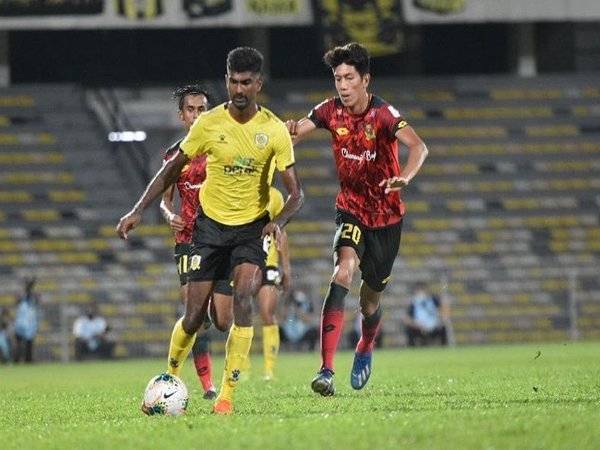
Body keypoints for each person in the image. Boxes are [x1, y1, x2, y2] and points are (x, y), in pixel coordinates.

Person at [116, 46, 303, 415]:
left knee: (242, 304)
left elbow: (297, 192)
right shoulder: (209, 124)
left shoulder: (274, 130)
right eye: (233, 81)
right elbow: (171, 170)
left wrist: (277, 222)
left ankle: (227, 397)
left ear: (258, 84)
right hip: (209, 227)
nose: (239, 88)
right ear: (226, 80)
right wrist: (139, 209)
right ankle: (167, 380)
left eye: (246, 82)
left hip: (250, 229)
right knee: (195, 316)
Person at [286, 42, 428, 396]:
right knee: (342, 270)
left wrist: (405, 178)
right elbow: (295, 133)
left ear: (366, 79)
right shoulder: (329, 111)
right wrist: (283, 132)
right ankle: (326, 370)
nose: (343, 85)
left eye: (350, 77)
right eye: (338, 78)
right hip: (350, 209)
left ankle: (365, 345)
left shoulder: (384, 114)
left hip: (387, 218)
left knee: (369, 302)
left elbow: (419, 147)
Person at [159, 84, 233, 400]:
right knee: (195, 311)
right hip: (188, 239)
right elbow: (164, 201)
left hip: (221, 239)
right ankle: (202, 384)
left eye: (202, 109)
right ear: (182, 116)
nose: (197, 114)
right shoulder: (174, 155)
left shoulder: (222, 147)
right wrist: (167, 215)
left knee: (222, 319)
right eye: (191, 109)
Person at [403, 282, 450, 347]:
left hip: (434, 327)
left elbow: (443, 310)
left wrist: (441, 321)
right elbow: (407, 319)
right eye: (418, 290)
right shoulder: (413, 303)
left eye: (422, 290)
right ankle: (412, 349)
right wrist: (416, 325)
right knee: (409, 330)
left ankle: (444, 348)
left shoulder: (433, 300)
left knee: (443, 328)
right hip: (419, 328)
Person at [13, 276, 41, 363]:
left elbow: (37, 301)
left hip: (29, 323)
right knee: (19, 343)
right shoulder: (22, 297)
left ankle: (27, 359)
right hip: (21, 322)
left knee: (28, 343)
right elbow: (18, 301)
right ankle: (17, 359)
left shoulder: (33, 297)